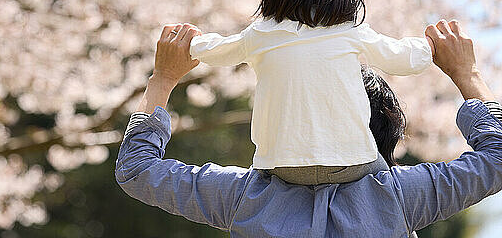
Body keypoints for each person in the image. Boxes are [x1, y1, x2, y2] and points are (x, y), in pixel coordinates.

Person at [116, 20, 502, 237]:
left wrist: (162, 80)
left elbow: (137, 170)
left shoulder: (242, 197)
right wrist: (467, 75)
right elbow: (497, 158)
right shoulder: (401, 199)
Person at [189, 0, 433, 184]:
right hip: (349, 161)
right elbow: (402, 59)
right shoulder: (350, 32)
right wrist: (431, 47)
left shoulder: (260, 34)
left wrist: (192, 43)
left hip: (279, 165)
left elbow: (218, 52)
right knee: (387, 178)